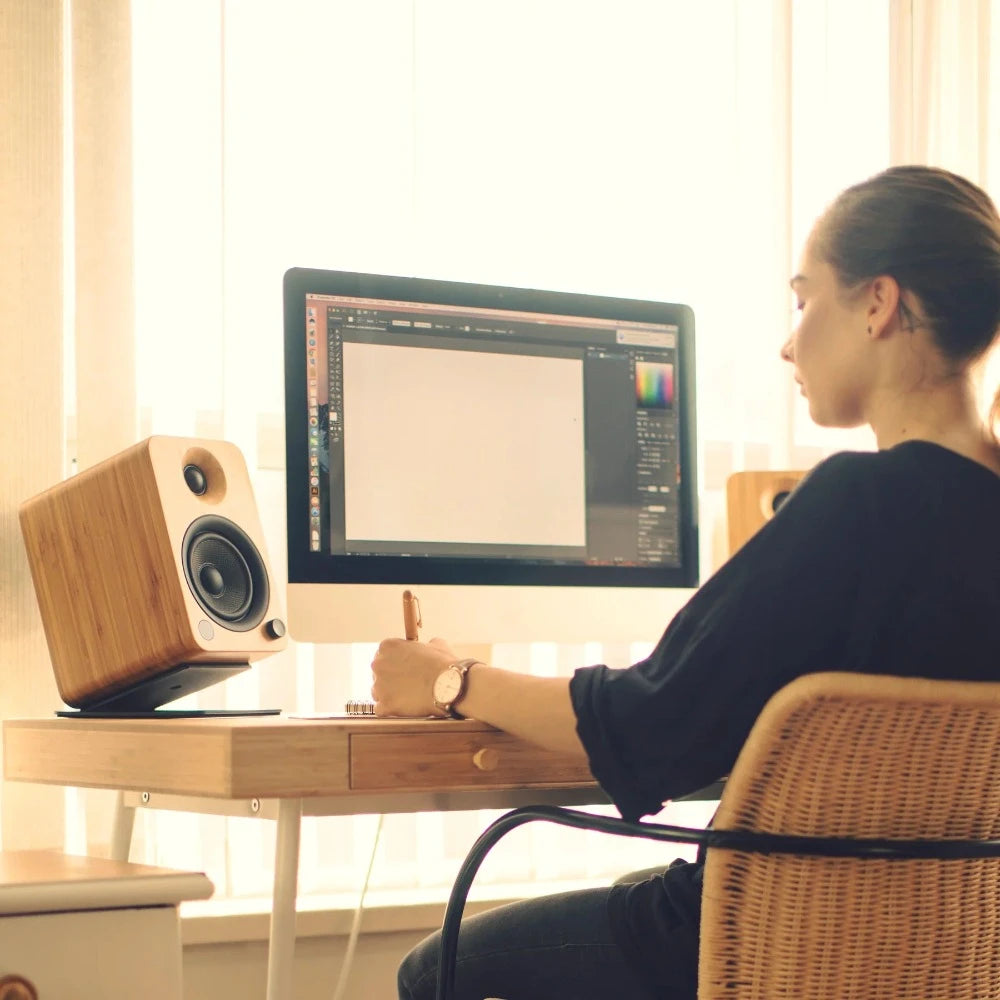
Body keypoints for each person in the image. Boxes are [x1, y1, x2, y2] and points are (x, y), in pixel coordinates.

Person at [372, 164, 1000, 1000]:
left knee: (437, 968)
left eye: (805, 299)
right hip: (950, 953)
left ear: (879, 304)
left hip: (757, 937)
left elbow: (647, 729)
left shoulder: (860, 503)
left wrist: (451, 681)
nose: (788, 341)